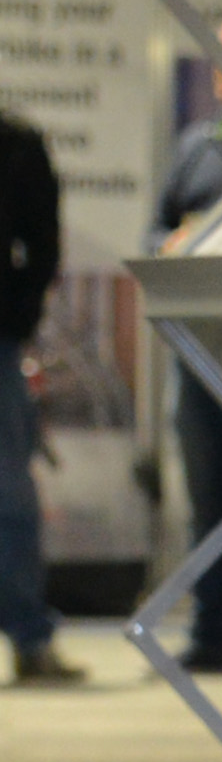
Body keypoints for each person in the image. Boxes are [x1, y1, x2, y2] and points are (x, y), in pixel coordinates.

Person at [161, 27, 222, 675]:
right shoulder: (197, 149)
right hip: (203, 352)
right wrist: (172, 242)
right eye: (220, 51)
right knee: (210, 496)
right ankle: (212, 635)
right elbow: (155, 229)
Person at [0, 98, 66, 686]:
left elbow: (42, 243)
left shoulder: (15, 143)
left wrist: (18, 317)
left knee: (10, 495)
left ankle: (30, 637)